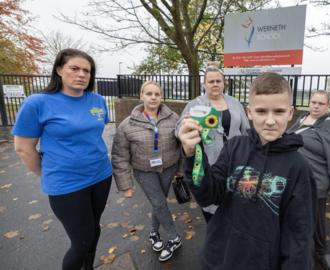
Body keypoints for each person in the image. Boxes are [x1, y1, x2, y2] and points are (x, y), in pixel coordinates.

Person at [178, 72, 316, 269]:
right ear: (249, 112)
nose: (270, 121)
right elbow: (208, 195)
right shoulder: (235, 146)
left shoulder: (298, 168)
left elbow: (299, 237)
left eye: (278, 111)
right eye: (261, 111)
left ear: (290, 113)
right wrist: (192, 155)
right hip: (219, 257)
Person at [12, 48, 112, 270]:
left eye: (87, 70)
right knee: (82, 241)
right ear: (59, 70)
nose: (82, 74)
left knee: (94, 230)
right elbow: (23, 149)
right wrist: (49, 173)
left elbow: (93, 135)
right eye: (74, 68)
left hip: (101, 176)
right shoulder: (37, 103)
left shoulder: (97, 100)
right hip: (66, 185)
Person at [111, 81, 182, 262]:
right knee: (158, 201)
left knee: (159, 203)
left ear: (162, 97)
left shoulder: (174, 118)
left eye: (157, 94)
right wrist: (125, 185)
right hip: (144, 170)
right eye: (149, 93)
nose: (153, 97)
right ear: (141, 96)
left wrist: (181, 170)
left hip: (169, 167)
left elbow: (181, 144)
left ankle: (153, 233)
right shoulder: (128, 124)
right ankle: (174, 237)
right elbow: (119, 155)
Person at [175, 62, 250, 222]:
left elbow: (246, 129)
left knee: (236, 199)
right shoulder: (195, 104)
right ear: (204, 84)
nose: (215, 84)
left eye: (218, 81)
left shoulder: (235, 103)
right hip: (210, 160)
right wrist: (186, 129)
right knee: (213, 208)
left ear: (224, 83)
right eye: (211, 81)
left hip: (236, 161)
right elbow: (179, 129)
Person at [287, 90, 330, 270]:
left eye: (320, 103)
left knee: (316, 219)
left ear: (328, 105)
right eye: (313, 102)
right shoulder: (302, 119)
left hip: (315, 181)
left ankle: (322, 252)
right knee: (295, 215)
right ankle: (297, 248)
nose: (315, 106)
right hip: (294, 179)